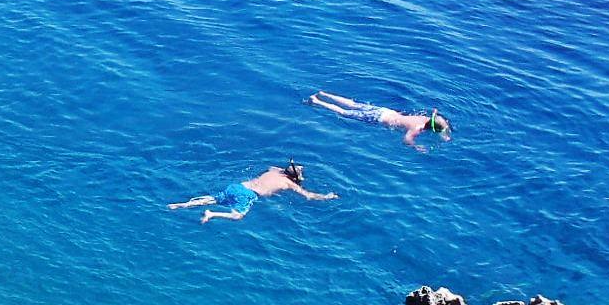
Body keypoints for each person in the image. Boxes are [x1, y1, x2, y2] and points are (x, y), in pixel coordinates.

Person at [168, 163, 337, 223]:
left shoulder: (274, 172)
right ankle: (211, 215)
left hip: (237, 186)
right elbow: (308, 196)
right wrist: (327, 197)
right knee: (238, 216)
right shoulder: (287, 183)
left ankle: (182, 204)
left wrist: (292, 170)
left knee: (214, 198)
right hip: (248, 194)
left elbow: (275, 168)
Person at [308, 92, 452, 151]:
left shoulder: (424, 117)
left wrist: (444, 133)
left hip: (385, 111)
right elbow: (406, 140)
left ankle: (324, 93)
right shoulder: (417, 128)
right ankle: (316, 101)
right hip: (379, 119)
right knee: (344, 112)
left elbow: (436, 115)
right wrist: (417, 147)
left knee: (352, 104)